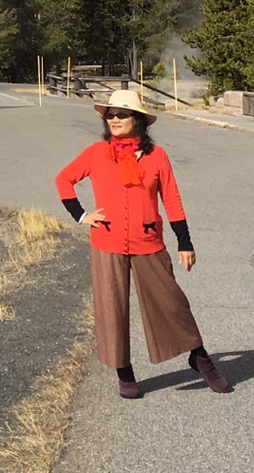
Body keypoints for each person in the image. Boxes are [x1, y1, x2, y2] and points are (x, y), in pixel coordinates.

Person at [53, 88, 230, 398]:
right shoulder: (96, 153)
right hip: (106, 244)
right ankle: (125, 372)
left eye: (122, 114)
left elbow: (172, 200)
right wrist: (81, 216)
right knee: (112, 309)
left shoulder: (155, 156)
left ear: (137, 120)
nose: (115, 119)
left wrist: (184, 243)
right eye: (110, 114)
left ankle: (199, 357)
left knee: (172, 302)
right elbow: (63, 180)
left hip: (148, 242)